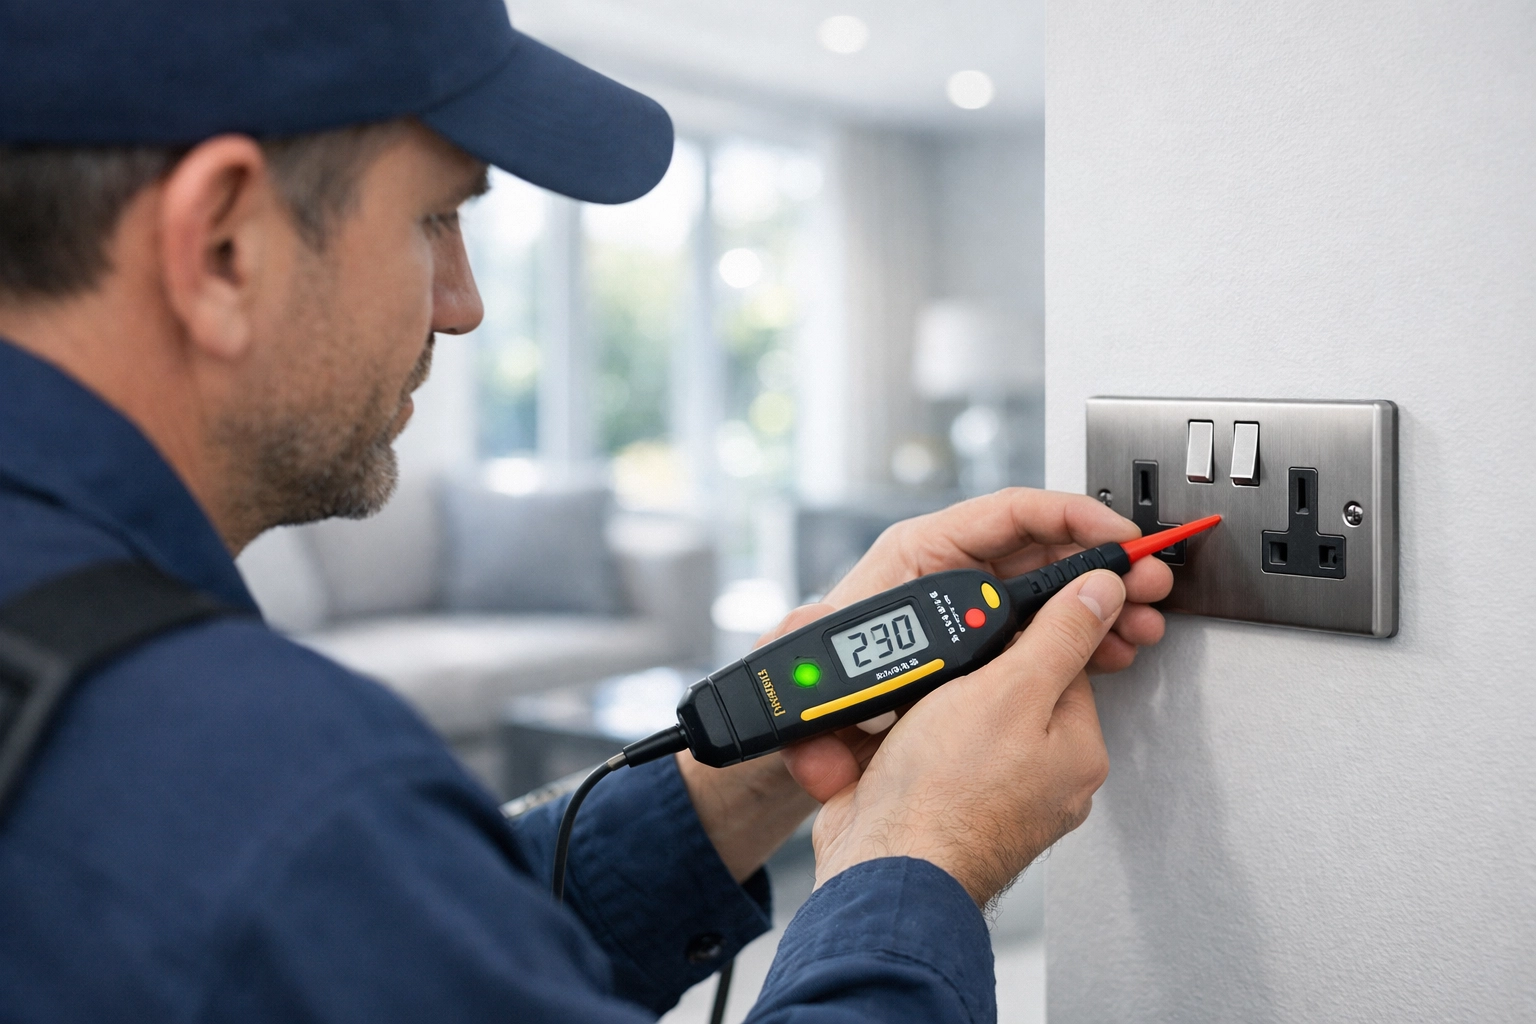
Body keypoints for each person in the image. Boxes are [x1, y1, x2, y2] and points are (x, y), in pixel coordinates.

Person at [0, 1, 1174, 1020]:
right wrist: (920, 857)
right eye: (434, 218)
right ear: (221, 245)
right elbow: (321, 891)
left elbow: (402, 957)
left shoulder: (222, 813)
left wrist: (756, 757)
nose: (461, 306)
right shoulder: (274, 799)